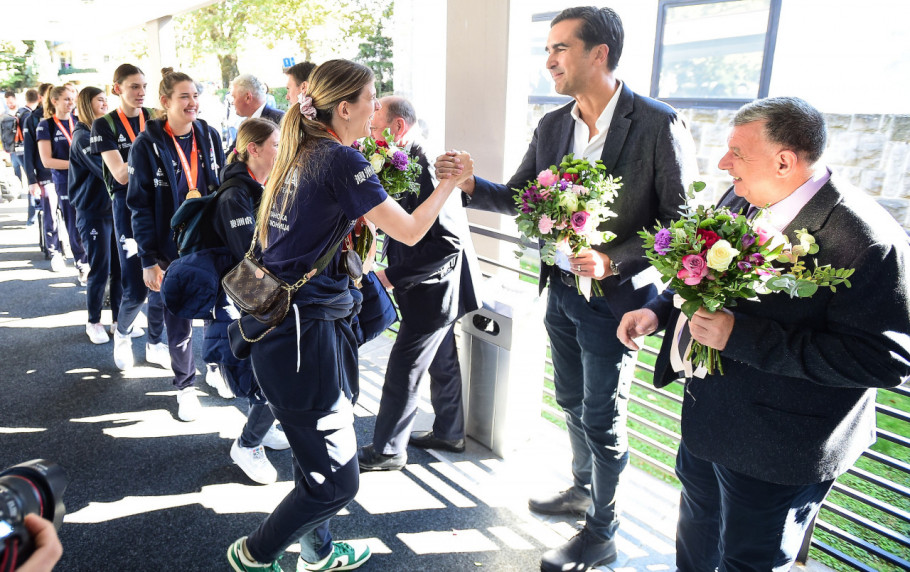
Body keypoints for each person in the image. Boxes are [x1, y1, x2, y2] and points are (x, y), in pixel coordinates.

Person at [436, 6, 697, 571]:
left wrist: (613, 260)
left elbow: (682, 226)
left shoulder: (656, 124)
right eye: (548, 48)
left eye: (560, 47)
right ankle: (583, 490)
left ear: (598, 53)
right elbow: (520, 197)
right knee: (572, 403)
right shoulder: (554, 124)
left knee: (603, 417)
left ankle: (602, 533)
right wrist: (469, 184)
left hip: (617, 302)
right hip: (557, 290)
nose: (548, 59)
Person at [617, 96, 910, 572]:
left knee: (749, 562)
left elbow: (883, 360)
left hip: (778, 450)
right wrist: (658, 310)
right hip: (706, 423)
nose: (722, 162)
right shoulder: (739, 196)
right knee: (694, 537)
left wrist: (741, 337)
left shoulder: (866, 238)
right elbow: (703, 277)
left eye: (737, 151)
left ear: (784, 161)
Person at [226, 59, 473, 572]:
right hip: (304, 334)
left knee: (312, 458)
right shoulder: (338, 158)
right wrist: (446, 184)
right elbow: (407, 231)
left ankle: (316, 551)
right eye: (370, 99)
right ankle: (254, 554)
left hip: (286, 329)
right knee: (337, 481)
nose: (375, 109)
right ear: (343, 108)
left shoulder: (301, 150)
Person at [358, 96, 482, 471]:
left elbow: (448, 241)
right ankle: (449, 431)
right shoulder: (403, 158)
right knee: (442, 362)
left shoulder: (426, 164)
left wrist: (389, 276)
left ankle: (389, 450)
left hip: (436, 290)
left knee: (403, 369)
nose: (371, 134)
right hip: (428, 287)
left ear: (398, 128)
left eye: (375, 127)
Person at [127, 68, 224, 422]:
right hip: (171, 248)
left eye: (195, 95)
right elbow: (138, 206)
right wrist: (148, 259)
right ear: (165, 102)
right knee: (179, 319)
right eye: (184, 97)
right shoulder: (147, 144)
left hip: (211, 243)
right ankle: (185, 386)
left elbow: (223, 187)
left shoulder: (209, 135)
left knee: (217, 313)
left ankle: (214, 365)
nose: (193, 102)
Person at [201, 117, 290, 484]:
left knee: (276, 376)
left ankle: (258, 430)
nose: (281, 152)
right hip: (250, 298)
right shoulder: (235, 195)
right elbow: (248, 258)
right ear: (253, 149)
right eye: (275, 146)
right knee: (279, 376)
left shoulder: (253, 186)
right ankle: (248, 443)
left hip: (257, 297)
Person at [91, 64, 164, 369]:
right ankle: (123, 333)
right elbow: (121, 175)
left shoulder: (156, 118)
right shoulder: (104, 125)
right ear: (117, 88)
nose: (141, 92)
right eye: (134, 86)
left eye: (144, 86)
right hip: (127, 207)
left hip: (162, 203)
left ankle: (156, 342)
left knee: (163, 280)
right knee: (135, 286)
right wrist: (146, 145)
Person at [68, 87, 123, 345]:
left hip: (111, 210)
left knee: (119, 268)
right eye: (100, 100)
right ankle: (93, 321)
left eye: (105, 100)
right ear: (87, 105)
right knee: (100, 269)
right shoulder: (82, 137)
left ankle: (118, 320)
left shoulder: (103, 132)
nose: (105, 104)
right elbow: (107, 170)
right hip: (92, 214)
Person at [37, 85, 89, 283]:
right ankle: (82, 264)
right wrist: (77, 164)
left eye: (73, 99)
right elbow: (47, 161)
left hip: (87, 180)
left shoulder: (80, 122)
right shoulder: (46, 125)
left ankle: (96, 263)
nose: (71, 103)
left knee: (90, 222)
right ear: (54, 101)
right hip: (65, 181)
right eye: (66, 99)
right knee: (74, 224)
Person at [23, 83, 63, 269]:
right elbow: (28, 152)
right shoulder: (33, 119)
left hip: (67, 175)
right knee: (50, 214)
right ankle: (53, 250)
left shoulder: (66, 119)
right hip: (45, 175)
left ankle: (74, 252)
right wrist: (32, 180)